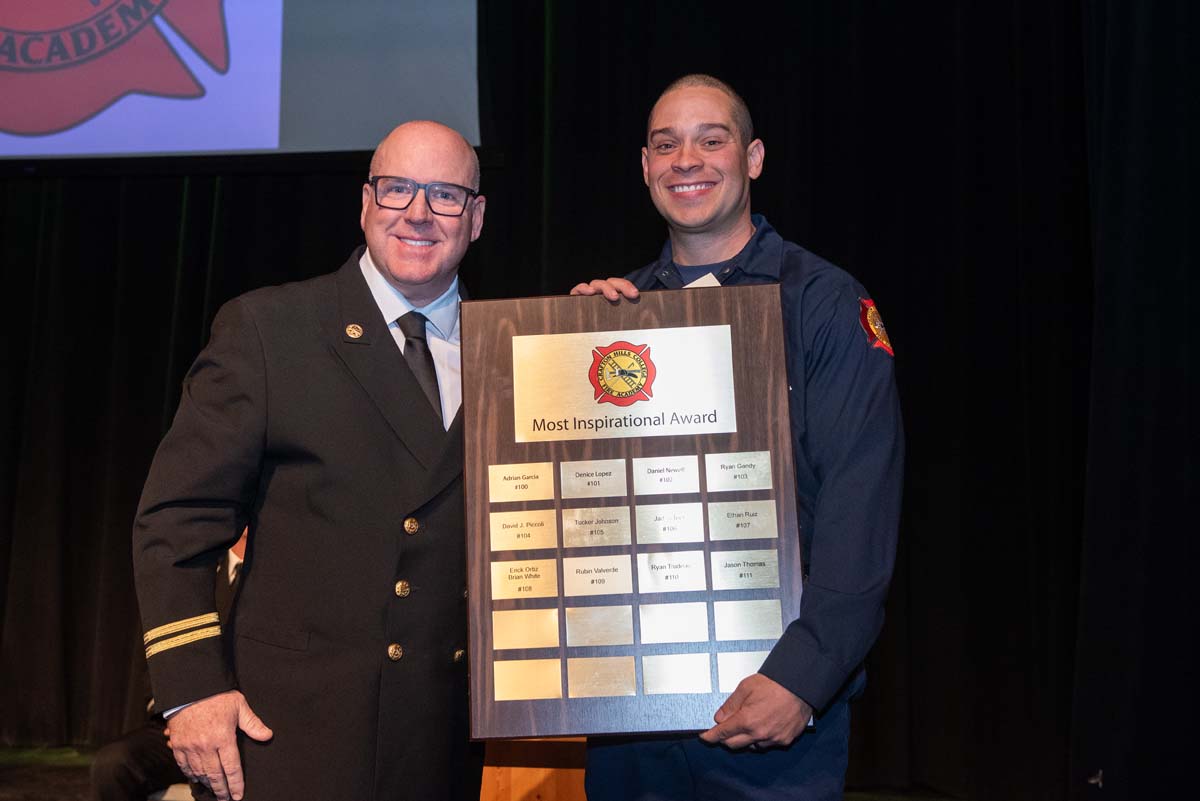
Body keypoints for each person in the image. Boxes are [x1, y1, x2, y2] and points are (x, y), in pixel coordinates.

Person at [132, 121, 486, 801]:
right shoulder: (271, 330)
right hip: (290, 739)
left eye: (445, 195)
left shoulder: (513, 343)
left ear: (475, 217)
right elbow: (176, 522)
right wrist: (192, 690)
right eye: (398, 189)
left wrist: (590, 334)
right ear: (366, 203)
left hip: (449, 745)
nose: (418, 212)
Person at [572, 75, 904, 800]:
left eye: (710, 140)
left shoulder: (823, 303)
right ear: (645, 167)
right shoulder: (614, 315)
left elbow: (860, 510)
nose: (686, 160)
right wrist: (563, 347)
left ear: (752, 158)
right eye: (666, 145)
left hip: (772, 716)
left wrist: (803, 679)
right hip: (628, 717)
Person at [92, 536, 246, 801]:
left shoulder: (278, 581)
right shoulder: (195, 573)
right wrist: (178, 712)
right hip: (180, 719)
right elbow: (163, 656)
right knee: (113, 765)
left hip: (244, 728)